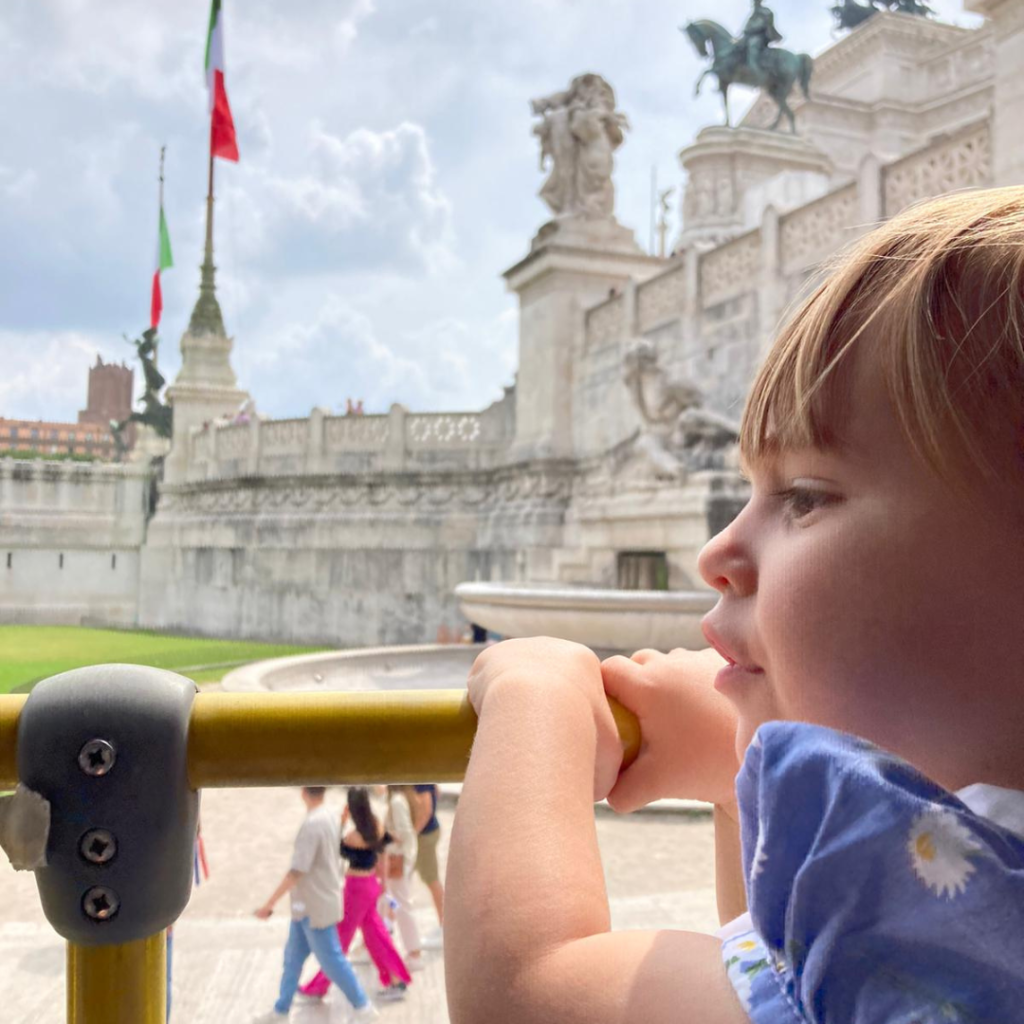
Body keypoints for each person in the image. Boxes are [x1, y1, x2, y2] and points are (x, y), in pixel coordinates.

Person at [445, 187, 1024, 1023]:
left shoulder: (931, 951)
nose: (717, 552)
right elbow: (770, 975)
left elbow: (525, 992)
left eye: (805, 495)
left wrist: (533, 693)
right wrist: (746, 784)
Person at [252, 787, 376, 1023]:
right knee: (293, 958)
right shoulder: (330, 816)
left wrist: (269, 903)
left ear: (303, 792)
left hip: (314, 905)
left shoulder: (312, 824)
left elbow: (297, 870)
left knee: (331, 960)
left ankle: (363, 1006)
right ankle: (281, 1010)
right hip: (310, 904)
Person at [300, 787, 413, 1002]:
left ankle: (318, 986)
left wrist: (342, 821)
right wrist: (385, 884)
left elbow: (334, 849)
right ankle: (397, 979)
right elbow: (385, 849)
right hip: (372, 884)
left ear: (352, 808)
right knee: (376, 936)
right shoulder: (377, 826)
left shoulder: (353, 836)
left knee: (341, 938)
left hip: (356, 888)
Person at [384, 785, 424, 970]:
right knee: (393, 902)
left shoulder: (397, 800)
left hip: (398, 859)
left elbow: (405, 833)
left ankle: (414, 952)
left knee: (401, 906)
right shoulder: (401, 798)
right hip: (403, 859)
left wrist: (384, 837)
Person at [412, 783, 444, 941]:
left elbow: (427, 810)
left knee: (432, 881)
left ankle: (444, 925)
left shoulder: (419, 780)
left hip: (424, 837)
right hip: (427, 833)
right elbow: (437, 792)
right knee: (398, 882)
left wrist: (411, 834)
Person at [741, 0, 782, 77]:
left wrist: (753, 29)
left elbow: (764, 25)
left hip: (760, 36)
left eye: (756, 1)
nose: (754, 3)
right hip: (748, 37)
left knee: (753, 45)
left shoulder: (765, 12)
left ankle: (754, 69)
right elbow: (747, 27)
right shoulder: (752, 15)